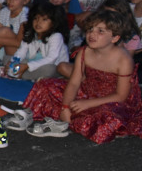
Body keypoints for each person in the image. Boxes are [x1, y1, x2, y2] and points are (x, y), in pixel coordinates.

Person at [22, 10, 142, 143]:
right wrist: (65, 107)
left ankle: (77, 119)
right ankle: (70, 117)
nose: (92, 34)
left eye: (100, 31)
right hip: (87, 92)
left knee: (108, 117)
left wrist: (87, 104)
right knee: (45, 86)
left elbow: (121, 96)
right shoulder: (85, 52)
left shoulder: (123, 59)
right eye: (90, 29)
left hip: (112, 101)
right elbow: (73, 83)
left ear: (115, 38)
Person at [0, 2, 69, 80]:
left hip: (50, 65)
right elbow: (21, 52)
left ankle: (19, 75)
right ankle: (15, 72)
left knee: (49, 69)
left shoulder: (56, 36)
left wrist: (27, 66)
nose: (38, 23)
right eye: (36, 18)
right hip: (31, 63)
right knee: (7, 58)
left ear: (53, 23)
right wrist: (12, 62)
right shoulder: (30, 33)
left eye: (44, 20)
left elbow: (51, 59)